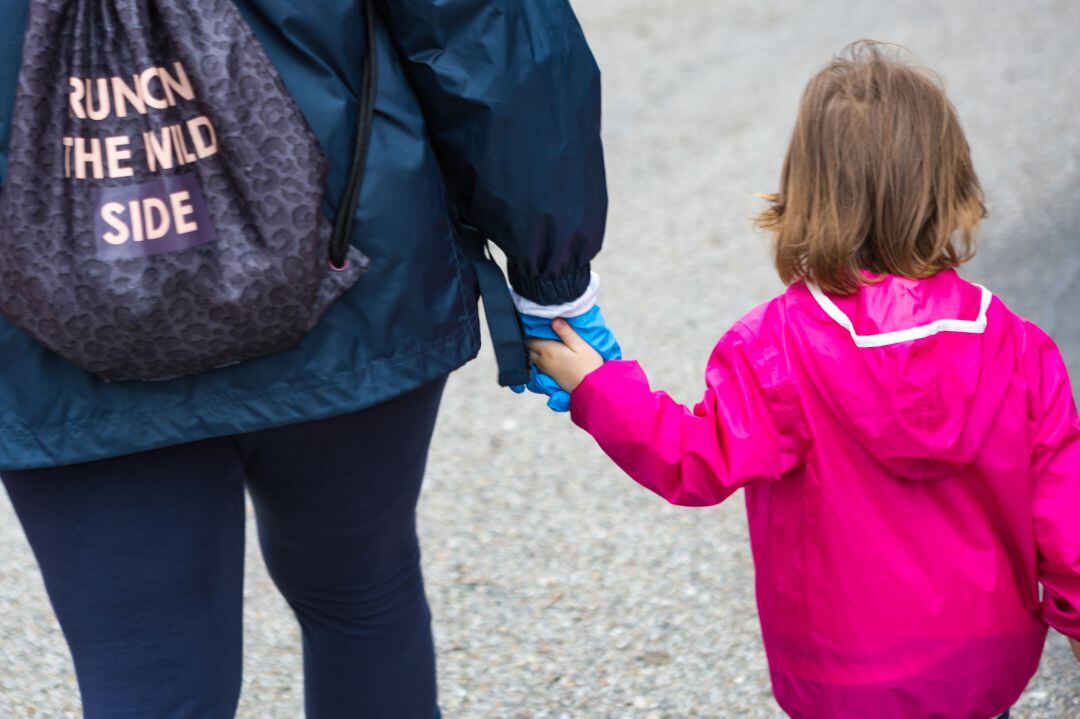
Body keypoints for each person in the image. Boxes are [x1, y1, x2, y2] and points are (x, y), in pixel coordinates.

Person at [0, 1, 615, 717]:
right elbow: (489, 34)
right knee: (363, 601)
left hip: (54, 325)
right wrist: (551, 273)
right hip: (349, 265)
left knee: (146, 669)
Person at [527, 41, 1080, 719]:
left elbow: (694, 459)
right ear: (950, 182)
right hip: (986, 659)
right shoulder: (1019, 348)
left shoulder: (775, 347)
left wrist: (599, 386)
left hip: (842, 670)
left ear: (809, 191)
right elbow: (1065, 517)